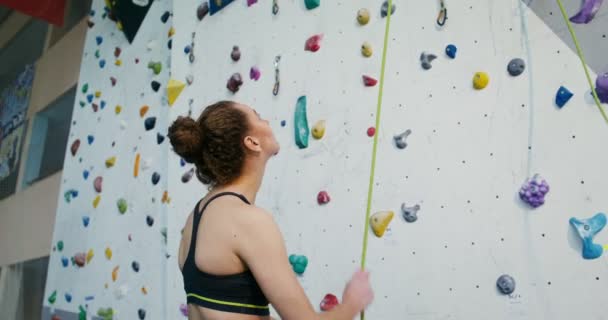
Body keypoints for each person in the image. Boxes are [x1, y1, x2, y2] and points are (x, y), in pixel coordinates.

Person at [169, 101, 374, 320]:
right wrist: (352, 304)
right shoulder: (248, 221)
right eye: (258, 116)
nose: (266, 121)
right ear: (252, 142)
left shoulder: (196, 217)